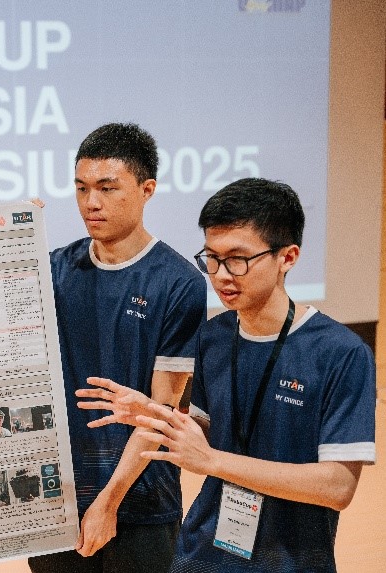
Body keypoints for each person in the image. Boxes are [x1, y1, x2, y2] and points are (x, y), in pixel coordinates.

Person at [78, 178, 376, 572]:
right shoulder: (213, 337)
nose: (220, 275)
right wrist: (156, 414)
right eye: (212, 259)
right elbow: (203, 433)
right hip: (202, 552)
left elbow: (337, 487)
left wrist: (214, 461)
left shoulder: (341, 353)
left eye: (238, 259)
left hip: (289, 558)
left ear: (287, 257)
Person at [28, 123, 206, 573]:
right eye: (82, 188)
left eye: (108, 188)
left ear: (147, 189)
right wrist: (10, 242)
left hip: (142, 498)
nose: (91, 203)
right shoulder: (53, 269)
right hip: (58, 494)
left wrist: (108, 502)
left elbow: (161, 410)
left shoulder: (178, 282)